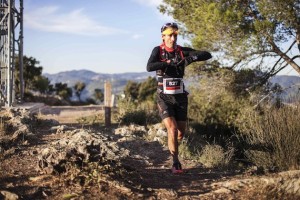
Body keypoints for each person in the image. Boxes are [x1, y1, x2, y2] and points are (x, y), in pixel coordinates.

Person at [146, 22, 212, 174]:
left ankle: (173, 145)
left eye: (175, 35)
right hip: (164, 97)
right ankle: (175, 162)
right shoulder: (158, 51)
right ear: (163, 36)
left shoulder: (182, 51)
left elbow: (207, 54)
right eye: (169, 35)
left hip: (181, 97)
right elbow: (149, 67)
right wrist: (167, 62)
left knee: (181, 132)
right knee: (172, 129)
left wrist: (191, 58)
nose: (173, 38)